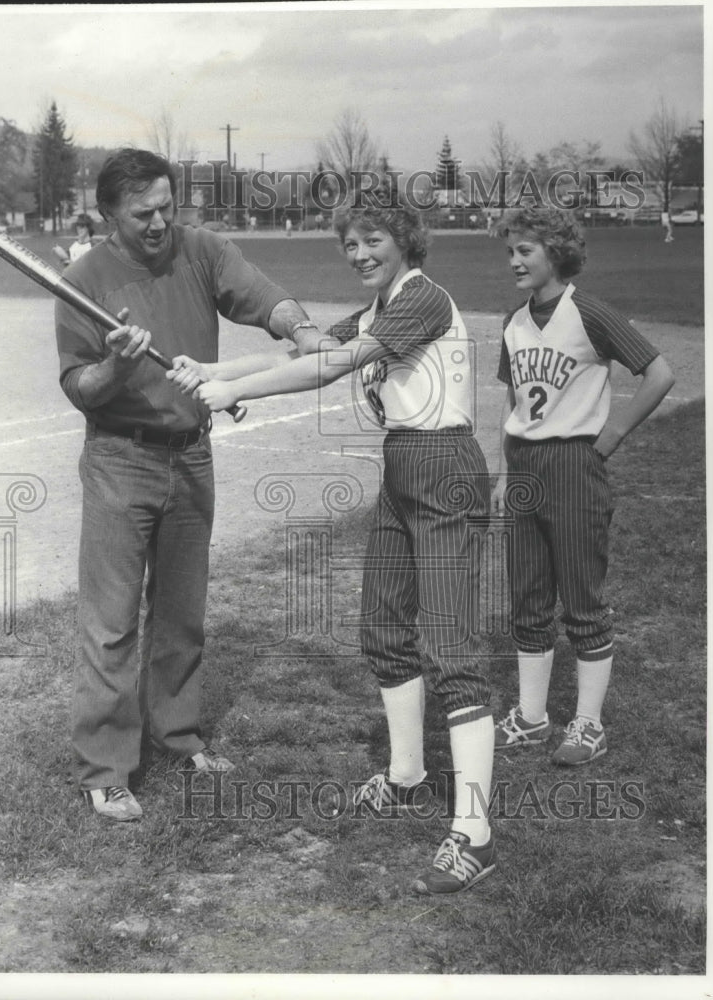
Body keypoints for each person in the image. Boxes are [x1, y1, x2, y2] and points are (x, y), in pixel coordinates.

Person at [170, 200, 497, 896]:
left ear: (405, 240)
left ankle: (475, 833)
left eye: (371, 239)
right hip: (405, 465)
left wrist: (228, 389)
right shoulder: (382, 306)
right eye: (348, 243)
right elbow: (306, 350)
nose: (357, 252)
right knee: (382, 630)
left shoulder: (423, 300)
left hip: (443, 467)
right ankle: (406, 775)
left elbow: (330, 370)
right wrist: (210, 367)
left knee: (451, 649)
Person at [54, 148, 327, 822]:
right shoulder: (83, 279)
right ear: (108, 214)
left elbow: (264, 298)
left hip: (191, 455)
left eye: (166, 209)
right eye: (142, 213)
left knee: (180, 612)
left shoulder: (199, 250)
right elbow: (79, 388)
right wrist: (116, 368)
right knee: (112, 623)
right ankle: (106, 768)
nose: (158, 224)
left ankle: (176, 736)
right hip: (121, 459)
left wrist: (302, 328)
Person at [491, 206, 675, 765]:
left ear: (557, 253)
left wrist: (610, 437)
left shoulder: (589, 311)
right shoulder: (513, 320)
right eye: (511, 251)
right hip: (524, 465)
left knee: (581, 600)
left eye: (526, 250)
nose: (515, 260)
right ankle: (530, 716)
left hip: (574, 463)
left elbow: (659, 373)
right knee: (527, 597)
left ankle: (589, 725)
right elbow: (513, 399)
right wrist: (503, 471)